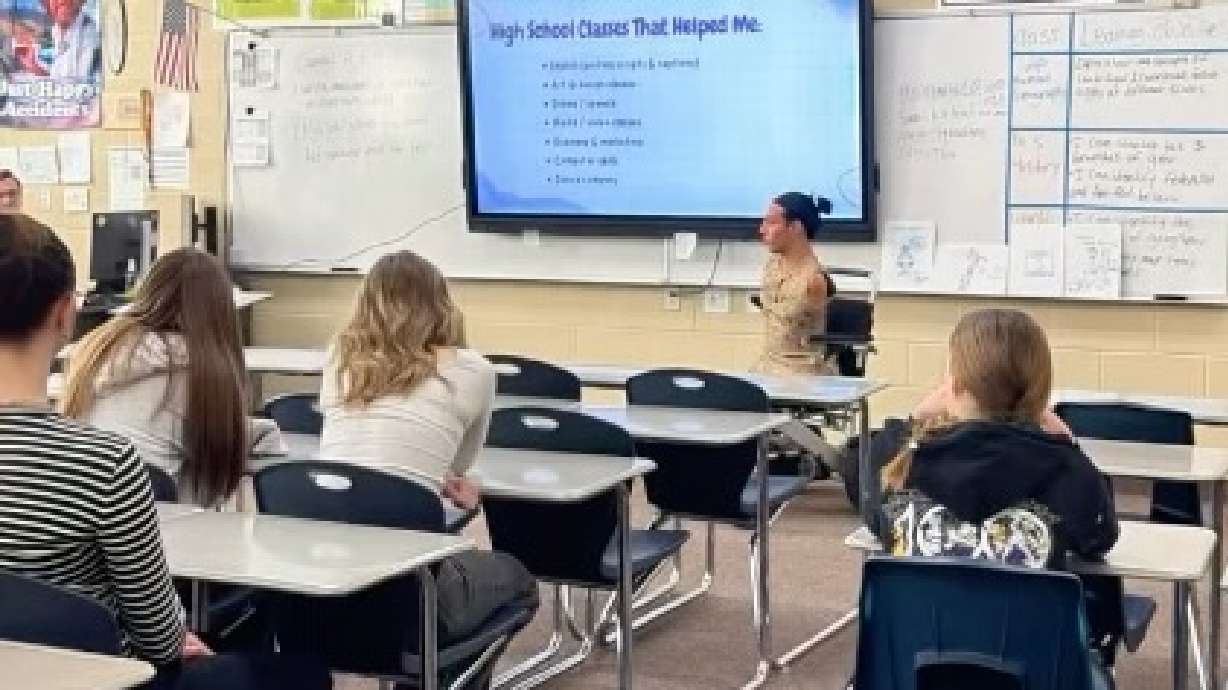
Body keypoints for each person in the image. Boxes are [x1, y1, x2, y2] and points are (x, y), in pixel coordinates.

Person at [0, 214, 329, 689]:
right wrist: (177, 635)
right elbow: (158, 638)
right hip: (99, 679)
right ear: (64, 313)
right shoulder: (105, 465)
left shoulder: (101, 397)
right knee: (300, 674)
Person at [876, 307, 1123, 661]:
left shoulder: (910, 464)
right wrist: (1070, 444)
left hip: (917, 670)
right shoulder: (1066, 468)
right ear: (1039, 394)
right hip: (1032, 672)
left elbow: (874, 511)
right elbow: (1100, 537)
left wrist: (915, 417)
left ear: (955, 385)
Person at [320, 249, 538, 646]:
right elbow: (457, 468)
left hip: (326, 580)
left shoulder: (339, 359)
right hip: (414, 591)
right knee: (516, 578)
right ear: (440, 305)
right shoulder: (473, 370)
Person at [61, 248, 265, 508]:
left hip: (78, 511)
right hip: (154, 523)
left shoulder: (97, 349)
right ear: (221, 311)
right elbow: (217, 477)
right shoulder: (203, 374)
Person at [754, 192, 835, 375]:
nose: (762, 230)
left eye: (771, 223)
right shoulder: (772, 265)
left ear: (795, 227)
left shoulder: (813, 280)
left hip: (802, 373)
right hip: (768, 366)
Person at [14, 0, 101, 80]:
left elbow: (80, 85)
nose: (61, 1)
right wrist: (35, 67)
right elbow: (46, 69)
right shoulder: (47, 35)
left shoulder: (92, 34)